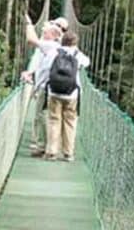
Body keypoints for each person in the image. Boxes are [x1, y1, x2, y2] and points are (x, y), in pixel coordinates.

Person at [29, 31, 90, 162]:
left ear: (61, 41)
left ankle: (52, 152)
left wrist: (36, 87)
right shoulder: (78, 55)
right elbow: (87, 62)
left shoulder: (53, 52)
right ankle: (68, 154)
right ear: (75, 43)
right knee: (70, 122)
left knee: (53, 121)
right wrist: (76, 51)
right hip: (72, 93)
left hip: (54, 92)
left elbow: (45, 69)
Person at [21, 16, 62, 155]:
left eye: (46, 33)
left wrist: (29, 24)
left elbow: (31, 40)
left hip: (46, 88)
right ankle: (50, 146)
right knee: (50, 116)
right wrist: (32, 73)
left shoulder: (51, 45)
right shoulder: (58, 47)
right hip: (53, 87)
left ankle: (42, 146)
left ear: (54, 35)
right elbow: (42, 64)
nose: (43, 35)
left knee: (41, 115)